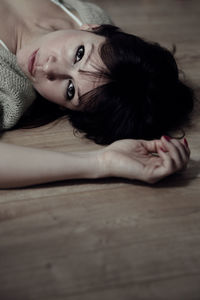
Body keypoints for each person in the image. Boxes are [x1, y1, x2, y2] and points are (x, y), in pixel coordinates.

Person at [0, 0, 192, 188]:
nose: (49, 67)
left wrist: (101, 163)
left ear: (62, 106)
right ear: (93, 28)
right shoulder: (85, 14)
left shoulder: (9, 89)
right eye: (79, 54)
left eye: (70, 90)